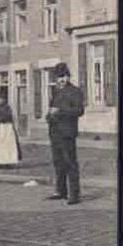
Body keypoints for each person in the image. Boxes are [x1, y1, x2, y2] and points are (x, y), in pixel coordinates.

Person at [46, 61, 85, 205]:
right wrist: (49, 116)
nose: (61, 79)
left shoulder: (75, 91)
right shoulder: (56, 92)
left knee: (70, 163)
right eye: (58, 77)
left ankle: (74, 194)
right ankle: (61, 191)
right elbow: (51, 110)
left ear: (68, 77)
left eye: (63, 76)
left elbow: (79, 111)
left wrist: (60, 112)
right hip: (55, 132)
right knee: (58, 163)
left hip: (68, 132)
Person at [0, 87, 21, 167]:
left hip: (6, 127)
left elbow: (8, 117)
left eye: (0, 99)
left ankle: (7, 162)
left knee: (7, 145)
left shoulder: (7, 108)